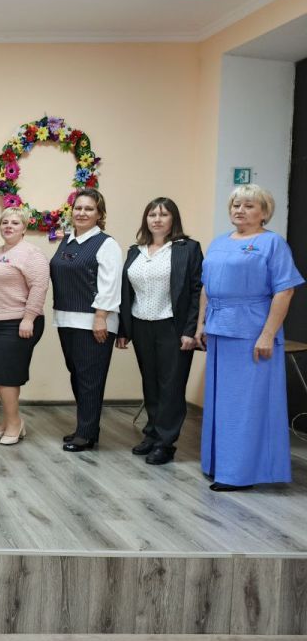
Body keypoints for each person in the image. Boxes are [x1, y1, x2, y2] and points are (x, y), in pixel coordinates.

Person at [195, 185, 303, 491]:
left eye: (249, 205)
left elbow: (285, 291)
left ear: (264, 212)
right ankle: (219, 464)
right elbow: (206, 287)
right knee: (221, 403)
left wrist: (267, 334)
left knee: (246, 405)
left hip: (251, 333)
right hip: (220, 331)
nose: (240, 210)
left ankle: (240, 474)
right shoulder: (219, 242)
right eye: (236, 205)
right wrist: (202, 324)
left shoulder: (273, 243)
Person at [116, 198, 203, 466]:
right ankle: (152, 433)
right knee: (151, 383)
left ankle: (166, 443)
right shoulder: (136, 251)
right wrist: (123, 329)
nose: (157, 219)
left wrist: (190, 330)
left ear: (173, 219)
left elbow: (197, 291)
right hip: (141, 324)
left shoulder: (187, 248)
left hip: (173, 327)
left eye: (163, 214)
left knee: (171, 385)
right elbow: (126, 293)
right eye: (152, 214)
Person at [49, 188, 122, 452]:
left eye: (89, 209)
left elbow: (111, 285)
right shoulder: (67, 241)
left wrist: (101, 317)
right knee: (78, 376)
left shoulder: (106, 244)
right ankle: (86, 427)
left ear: (99, 214)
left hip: (94, 322)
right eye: (78, 208)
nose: (82, 213)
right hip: (66, 320)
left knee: (90, 379)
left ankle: (86, 434)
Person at [0, 206, 49, 445]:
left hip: (18, 322)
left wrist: (29, 318)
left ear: (24, 228)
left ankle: (15, 423)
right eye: (4, 222)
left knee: (6, 377)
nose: (8, 226)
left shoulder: (31, 253)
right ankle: (9, 421)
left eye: (15, 223)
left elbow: (39, 287)